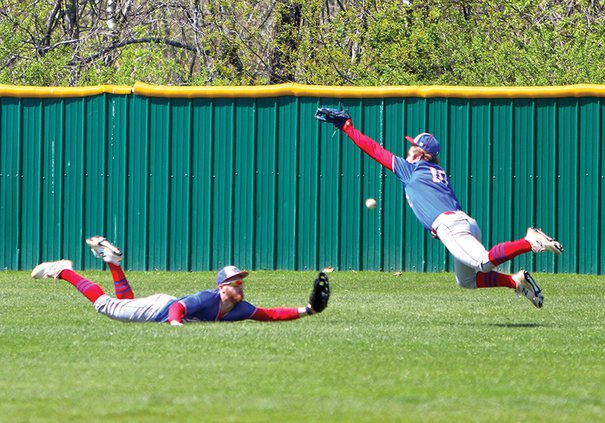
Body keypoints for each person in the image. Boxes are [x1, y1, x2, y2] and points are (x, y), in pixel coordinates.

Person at [315, 108, 563, 308]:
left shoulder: (411, 169)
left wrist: (348, 128)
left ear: (421, 154)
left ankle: (529, 241)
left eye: (413, 146)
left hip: (450, 225)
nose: (409, 148)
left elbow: (374, 150)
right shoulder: (436, 171)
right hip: (465, 222)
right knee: (466, 281)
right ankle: (517, 282)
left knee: (484, 263)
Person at [31, 236, 329, 325]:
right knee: (105, 305)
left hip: (159, 304)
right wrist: (175, 327)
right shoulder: (210, 297)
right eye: (235, 282)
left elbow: (270, 314)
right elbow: (180, 310)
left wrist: (308, 309)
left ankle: (114, 263)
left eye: (240, 281)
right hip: (161, 310)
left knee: (124, 302)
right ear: (222, 286)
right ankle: (63, 270)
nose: (240, 285)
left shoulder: (240, 308)